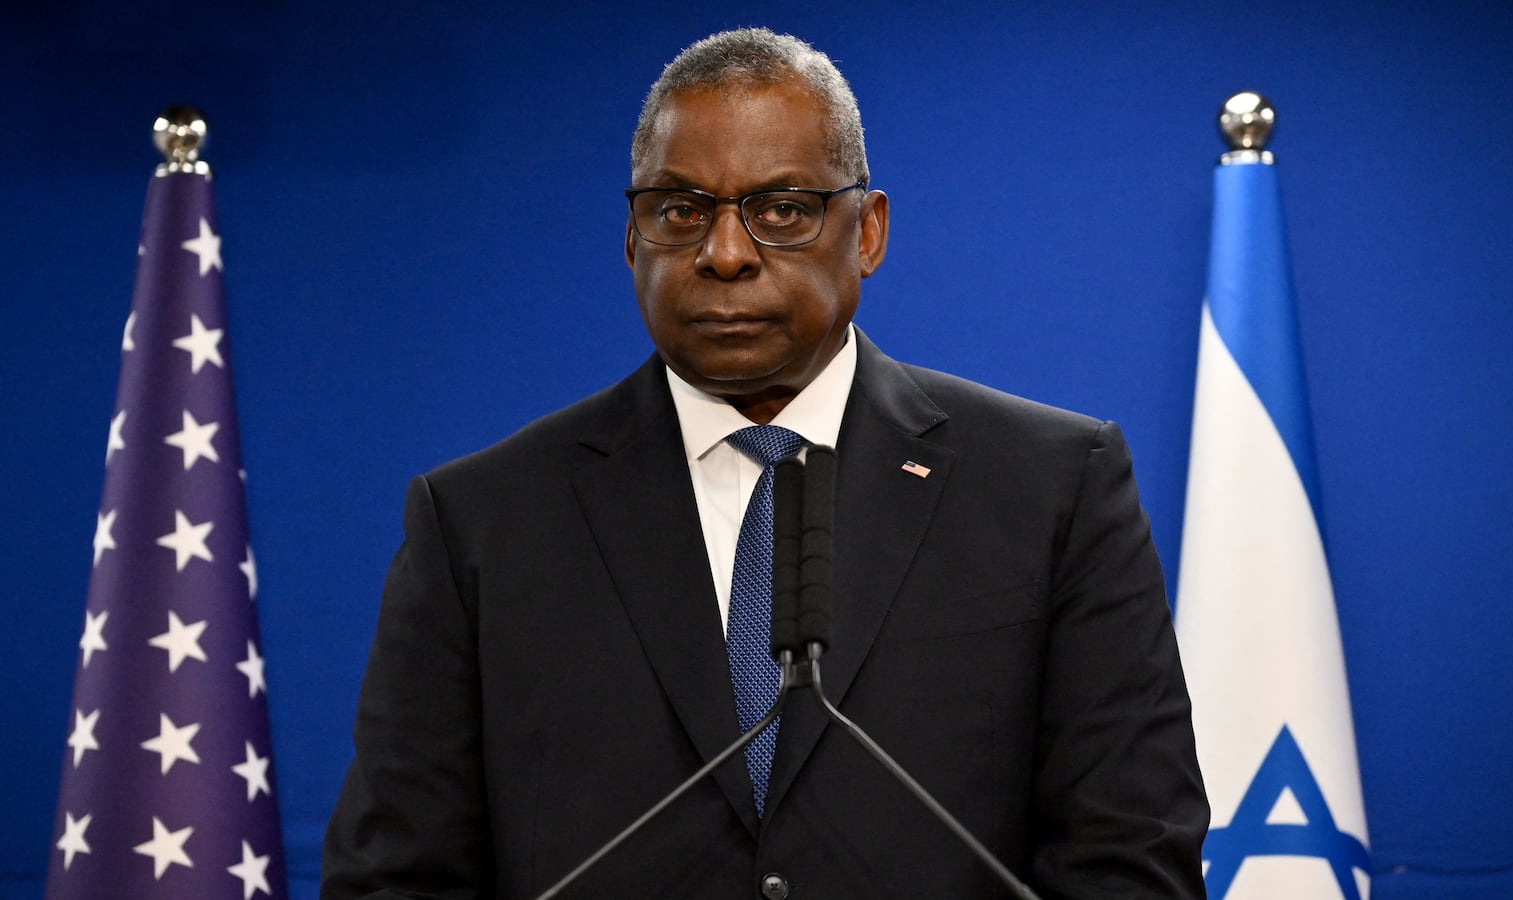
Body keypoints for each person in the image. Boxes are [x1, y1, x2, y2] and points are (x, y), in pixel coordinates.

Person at [322, 27, 1207, 899]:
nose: (726, 254)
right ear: (632, 239)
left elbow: (1129, 861)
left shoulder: (1051, 488)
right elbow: (396, 877)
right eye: (680, 211)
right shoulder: (481, 522)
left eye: (782, 209)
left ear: (867, 232)